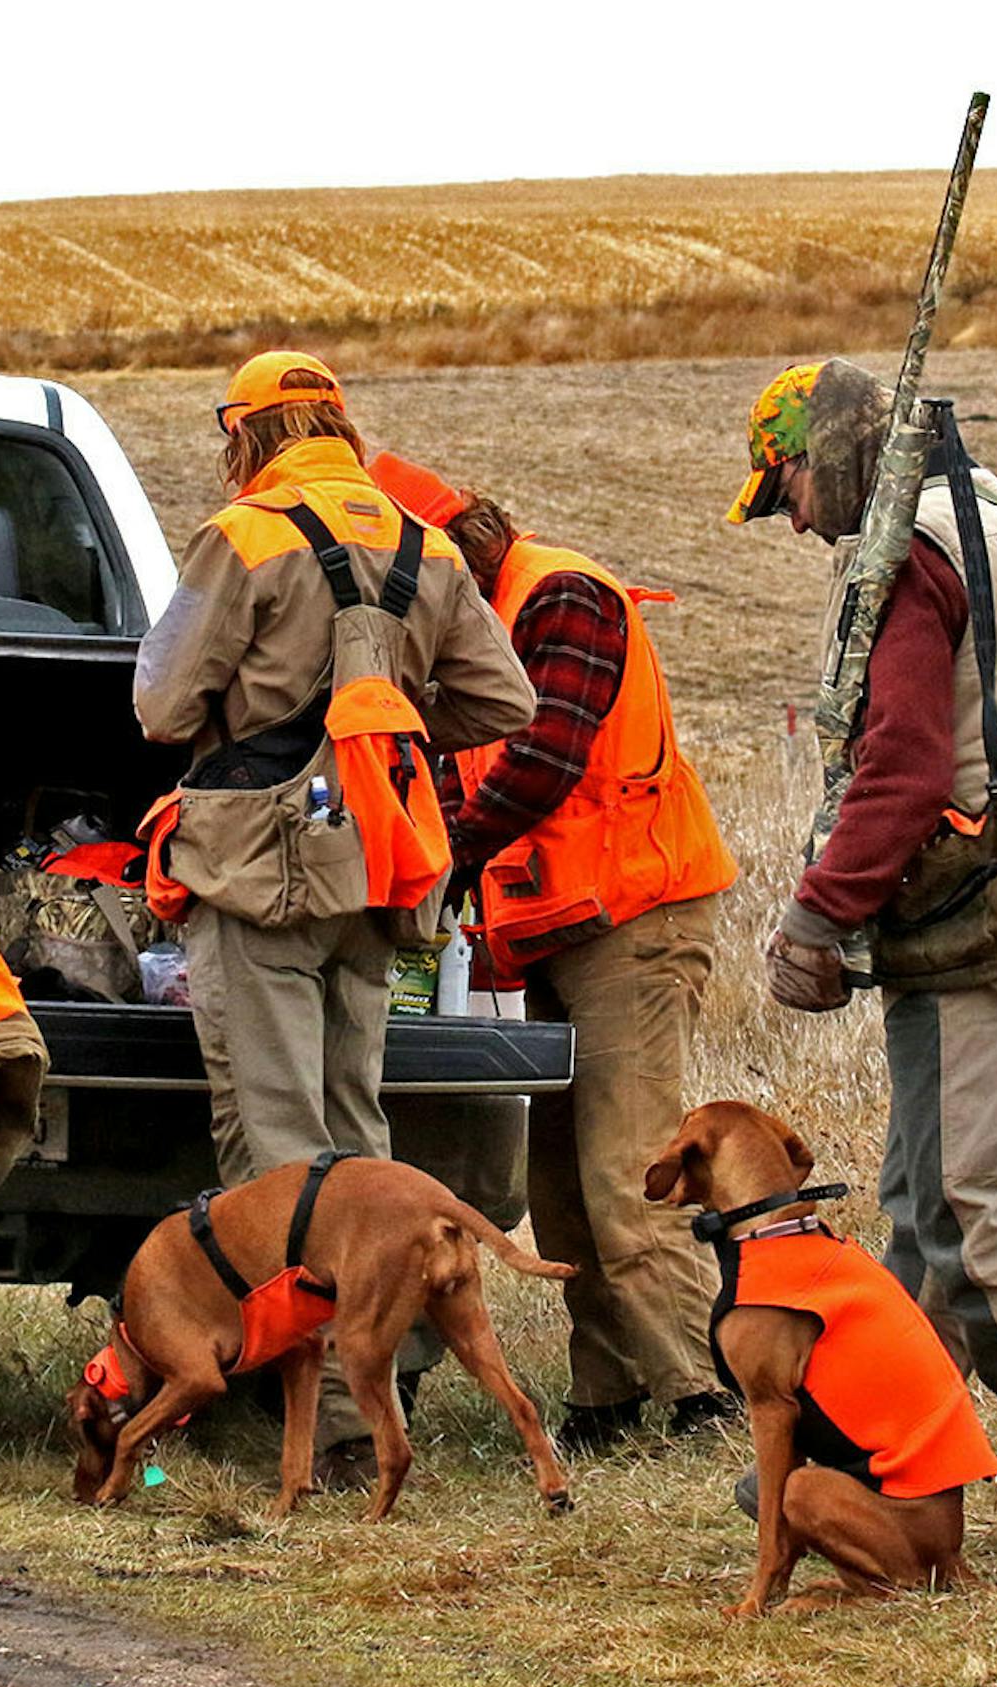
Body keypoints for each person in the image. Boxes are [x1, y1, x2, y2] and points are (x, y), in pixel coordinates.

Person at [728, 357, 997, 1552]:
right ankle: (850, 1455)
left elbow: (907, 768)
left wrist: (817, 913)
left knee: (978, 1212)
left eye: (788, 493)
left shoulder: (911, 552)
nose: (798, 524)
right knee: (925, 1218)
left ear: (822, 458)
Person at [134, 353, 534, 1484]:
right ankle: (376, 1393)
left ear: (248, 434)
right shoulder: (428, 543)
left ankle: (330, 1424)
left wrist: (273, 721)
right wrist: (383, 725)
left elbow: (163, 706)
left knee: (278, 1148)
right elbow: (507, 700)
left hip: (259, 872)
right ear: (340, 428)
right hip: (380, 867)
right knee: (359, 1135)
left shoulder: (247, 535)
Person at [370, 453, 739, 1451]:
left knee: (631, 1174)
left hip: (635, 919)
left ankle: (716, 1400)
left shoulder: (563, 594)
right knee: (563, 1191)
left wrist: (447, 859)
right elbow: (459, 775)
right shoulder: (476, 627)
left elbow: (543, 756)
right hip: (562, 929)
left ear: (446, 551)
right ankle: (609, 1401)